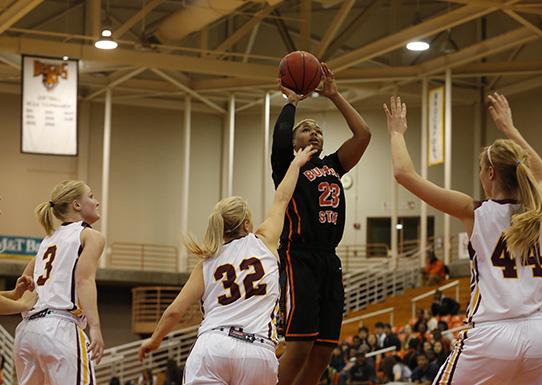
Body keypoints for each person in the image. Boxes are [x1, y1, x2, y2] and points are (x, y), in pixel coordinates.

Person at [384, 93, 542, 384]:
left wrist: (397, 133)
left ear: (490, 173)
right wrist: (510, 130)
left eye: (480, 169)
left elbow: (404, 173)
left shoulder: (475, 212)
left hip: (492, 336)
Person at [138, 147, 316, 385]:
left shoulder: (207, 262)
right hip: (258, 352)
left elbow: (174, 311)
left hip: (213, 346)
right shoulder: (264, 241)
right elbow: (282, 198)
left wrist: (154, 340)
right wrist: (296, 164)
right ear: (246, 224)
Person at [273, 62, 371, 385]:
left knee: (323, 353)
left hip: (329, 259)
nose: (314, 132)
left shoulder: (333, 165)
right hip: (298, 256)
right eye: (307, 129)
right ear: (294, 140)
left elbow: (364, 134)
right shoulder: (288, 167)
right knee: (299, 347)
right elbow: (280, 139)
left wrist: (335, 95)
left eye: (318, 130)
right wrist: (291, 102)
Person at [14, 180, 105, 385]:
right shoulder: (90, 236)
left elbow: (22, 286)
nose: (96, 202)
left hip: (27, 332)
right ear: (76, 205)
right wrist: (96, 327)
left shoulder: (47, 241)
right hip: (60, 328)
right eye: (91, 196)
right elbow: (84, 280)